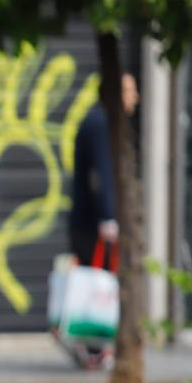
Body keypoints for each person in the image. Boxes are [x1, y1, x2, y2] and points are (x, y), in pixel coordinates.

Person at [66, 73, 138, 367]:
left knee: (98, 285)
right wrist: (108, 218)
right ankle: (94, 350)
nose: (135, 97)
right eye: (130, 90)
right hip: (93, 224)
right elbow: (103, 175)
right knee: (99, 288)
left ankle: (93, 348)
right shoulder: (100, 125)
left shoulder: (100, 122)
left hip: (88, 221)